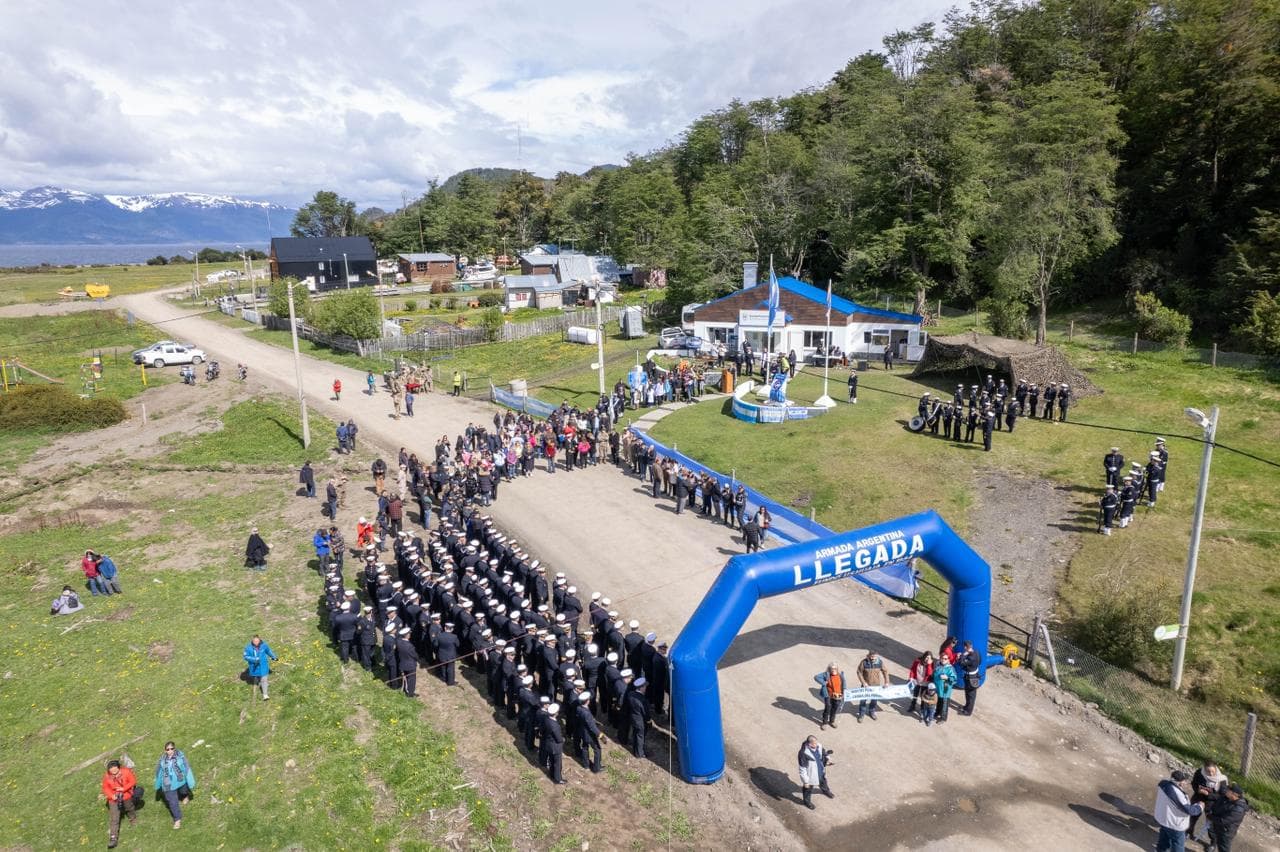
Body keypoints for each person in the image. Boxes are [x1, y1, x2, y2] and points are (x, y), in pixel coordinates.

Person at [1154, 769, 1202, 852]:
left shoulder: (1163, 784)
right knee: (1178, 844)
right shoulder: (1176, 793)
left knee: (1164, 838)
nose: (1186, 782)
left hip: (1163, 818)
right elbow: (1188, 810)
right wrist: (1199, 807)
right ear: (1179, 782)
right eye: (1184, 780)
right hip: (1175, 824)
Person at [154, 741, 195, 830]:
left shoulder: (180, 756)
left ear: (174, 749)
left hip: (180, 780)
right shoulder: (162, 760)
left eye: (172, 748)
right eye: (168, 749)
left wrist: (190, 781)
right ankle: (177, 819)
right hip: (168, 784)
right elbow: (158, 772)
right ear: (165, 750)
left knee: (183, 791)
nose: (170, 751)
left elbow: (187, 767)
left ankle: (185, 796)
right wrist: (157, 785)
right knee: (172, 802)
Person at [101, 759, 138, 849]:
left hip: (126, 795)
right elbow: (105, 788)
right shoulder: (107, 777)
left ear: (118, 767)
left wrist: (124, 788)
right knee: (114, 818)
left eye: (115, 768)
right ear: (108, 769)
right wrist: (111, 795)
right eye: (111, 769)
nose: (113, 770)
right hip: (113, 799)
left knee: (129, 808)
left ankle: (132, 818)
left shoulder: (126, 771)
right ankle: (113, 839)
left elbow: (133, 781)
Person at [1189, 761, 1228, 842]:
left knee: (1211, 822)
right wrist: (1198, 790)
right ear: (1204, 769)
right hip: (1199, 797)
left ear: (1216, 769)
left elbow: (1222, 795)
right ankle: (1189, 832)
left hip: (1213, 802)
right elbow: (1194, 784)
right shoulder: (1200, 773)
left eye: (1212, 771)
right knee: (1192, 816)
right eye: (1208, 771)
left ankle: (1213, 842)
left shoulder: (1221, 779)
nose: (1210, 773)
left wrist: (1208, 795)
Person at [1206, 783, 1248, 852]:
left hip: (1226, 832)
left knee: (1224, 848)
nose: (1226, 791)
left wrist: (1210, 817)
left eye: (1228, 791)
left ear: (1235, 795)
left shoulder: (1238, 809)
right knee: (1220, 845)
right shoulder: (1227, 799)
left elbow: (1224, 821)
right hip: (1220, 828)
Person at [797, 735, 833, 810]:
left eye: (816, 743)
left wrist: (828, 759)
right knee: (808, 789)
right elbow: (802, 768)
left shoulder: (818, 746)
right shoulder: (803, 753)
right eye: (814, 744)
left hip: (820, 771)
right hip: (811, 775)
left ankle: (826, 791)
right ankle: (807, 802)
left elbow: (823, 753)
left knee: (823, 782)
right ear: (809, 744)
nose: (816, 745)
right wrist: (805, 781)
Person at [854, 649, 888, 721]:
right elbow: (859, 672)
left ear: (876, 656)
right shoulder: (864, 662)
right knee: (863, 700)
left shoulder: (880, 662)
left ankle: (872, 712)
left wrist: (886, 682)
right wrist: (863, 682)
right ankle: (861, 714)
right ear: (869, 655)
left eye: (874, 656)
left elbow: (885, 672)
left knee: (874, 700)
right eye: (871, 656)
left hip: (876, 686)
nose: (872, 658)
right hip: (866, 686)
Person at [243, 635, 277, 700]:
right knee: (257, 677)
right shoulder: (248, 648)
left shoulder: (264, 646)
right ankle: (256, 679)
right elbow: (246, 656)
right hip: (254, 667)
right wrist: (254, 659)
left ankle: (265, 695)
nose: (256, 642)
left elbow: (268, 651)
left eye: (257, 641)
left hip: (263, 666)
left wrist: (273, 657)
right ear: (252, 640)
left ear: (260, 640)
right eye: (254, 641)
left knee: (264, 679)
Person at [814, 662, 845, 729]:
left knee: (834, 708)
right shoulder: (826, 674)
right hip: (828, 695)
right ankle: (824, 723)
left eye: (835, 668)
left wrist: (844, 691)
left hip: (838, 695)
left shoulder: (840, 675)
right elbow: (816, 677)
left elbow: (844, 683)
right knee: (828, 708)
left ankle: (832, 721)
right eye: (832, 669)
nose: (833, 670)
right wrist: (823, 683)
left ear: (837, 669)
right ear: (829, 669)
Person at [956, 640, 981, 716]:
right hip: (974, 675)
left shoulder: (970, 657)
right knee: (968, 692)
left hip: (971, 677)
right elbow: (980, 661)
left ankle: (968, 711)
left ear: (965, 647)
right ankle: (966, 707)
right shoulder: (977, 652)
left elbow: (961, 663)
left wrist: (963, 655)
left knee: (971, 695)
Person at [907, 651, 934, 717]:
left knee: (923, 697)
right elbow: (912, 670)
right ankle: (912, 706)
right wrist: (911, 677)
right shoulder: (917, 661)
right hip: (917, 681)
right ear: (924, 656)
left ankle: (922, 709)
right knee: (915, 695)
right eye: (927, 657)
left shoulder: (931, 664)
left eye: (929, 658)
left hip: (925, 683)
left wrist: (929, 665)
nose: (927, 659)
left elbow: (929, 674)